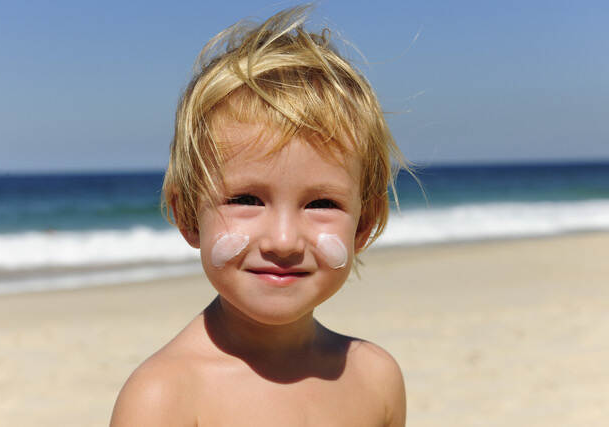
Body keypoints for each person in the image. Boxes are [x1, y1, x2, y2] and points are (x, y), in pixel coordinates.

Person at [111, 5, 407, 426]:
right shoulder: (165, 398)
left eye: (321, 204)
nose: (283, 241)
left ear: (365, 224)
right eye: (247, 199)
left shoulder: (376, 379)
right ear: (189, 216)